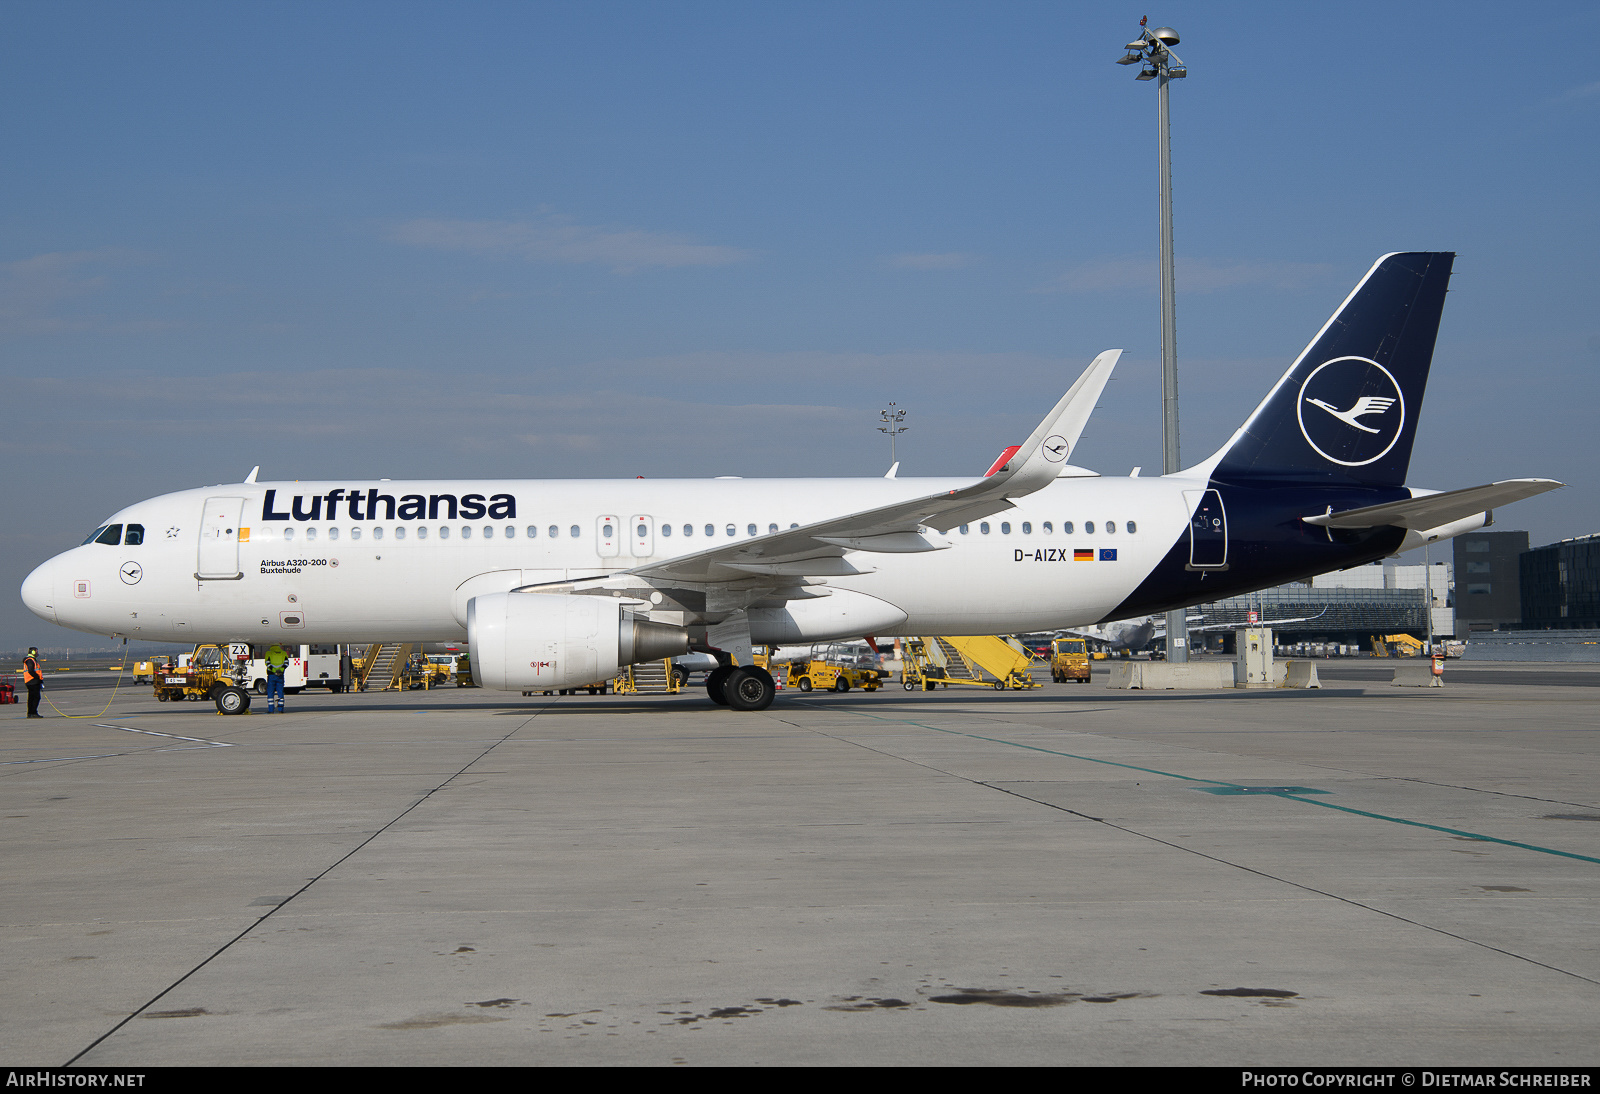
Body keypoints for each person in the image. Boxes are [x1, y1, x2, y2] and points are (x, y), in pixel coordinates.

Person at [264, 644, 289, 713]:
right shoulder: (283, 653)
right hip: (280, 675)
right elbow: (286, 663)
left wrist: (274, 671)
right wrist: (280, 670)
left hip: (272, 675)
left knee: (270, 693)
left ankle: (271, 710)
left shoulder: (269, 653)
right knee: (280, 692)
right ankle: (281, 709)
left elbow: (267, 663)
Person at [22, 647, 43, 718]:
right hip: (32, 681)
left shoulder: (32, 660)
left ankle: (30, 713)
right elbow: (30, 670)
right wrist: (38, 678)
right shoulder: (30, 660)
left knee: (31, 697)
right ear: (33, 652)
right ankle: (33, 712)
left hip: (30, 681)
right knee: (36, 697)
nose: (37, 653)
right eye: (36, 651)